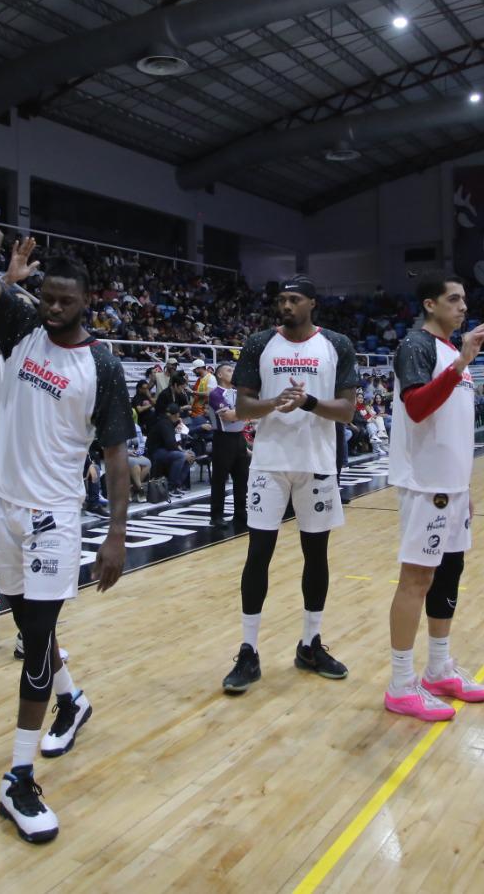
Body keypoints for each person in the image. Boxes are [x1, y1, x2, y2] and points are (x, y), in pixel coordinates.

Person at [0, 229, 131, 843]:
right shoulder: (22, 325)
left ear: (86, 302)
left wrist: (115, 532)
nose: (54, 308)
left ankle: (18, 778)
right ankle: (74, 699)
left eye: (66, 301)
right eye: (48, 298)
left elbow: (114, 455)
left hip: (55, 513)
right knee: (34, 627)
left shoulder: (103, 366)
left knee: (33, 639)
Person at [221, 275, 359, 694]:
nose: (285, 306)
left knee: (315, 556)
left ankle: (310, 643)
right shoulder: (260, 343)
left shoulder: (337, 344)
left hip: (316, 463)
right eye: (281, 300)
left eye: (294, 300)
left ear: (312, 303)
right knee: (257, 554)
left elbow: (348, 411)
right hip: (268, 464)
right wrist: (275, 403)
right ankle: (248, 651)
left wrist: (308, 402)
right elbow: (244, 406)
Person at [383, 275, 484, 722]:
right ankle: (400, 684)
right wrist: (461, 363)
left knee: (448, 576)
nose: (463, 306)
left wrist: (465, 487)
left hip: (453, 487)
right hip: (424, 485)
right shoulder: (416, 346)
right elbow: (417, 407)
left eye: (464, 299)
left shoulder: (452, 353)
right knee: (416, 581)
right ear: (430, 305)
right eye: (453, 299)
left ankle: (439, 669)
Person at [208, 363, 248, 530]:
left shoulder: (238, 392)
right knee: (219, 480)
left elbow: (240, 414)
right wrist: (247, 412)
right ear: (220, 375)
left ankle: (241, 513)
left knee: (242, 479)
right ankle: (216, 516)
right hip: (223, 439)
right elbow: (229, 417)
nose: (233, 372)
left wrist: (244, 412)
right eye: (229, 370)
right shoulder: (215, 393)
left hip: (239, 438)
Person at [146, 400, 193, 494]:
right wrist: (183, 452)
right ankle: (171, 486)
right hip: (156, 451)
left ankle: (178, 484)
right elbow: (170, 444)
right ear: (175, 415)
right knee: (181, 456)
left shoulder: (170, 422)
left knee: (191, 455)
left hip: (165, 449)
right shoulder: (164, 423)